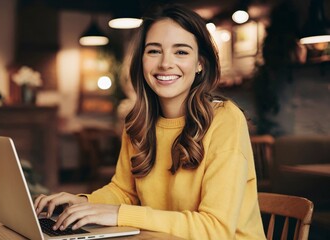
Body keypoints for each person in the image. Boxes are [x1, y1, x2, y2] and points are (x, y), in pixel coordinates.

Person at [34, 3, 266, 239]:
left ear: (200, 64)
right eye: (154, 51)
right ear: (142, 60)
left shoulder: (225, 119)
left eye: (181, 51)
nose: (165, 63)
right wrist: (80, 202)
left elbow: (215, 228)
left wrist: (119, 215)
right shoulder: (138, 122)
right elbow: (124, 191)